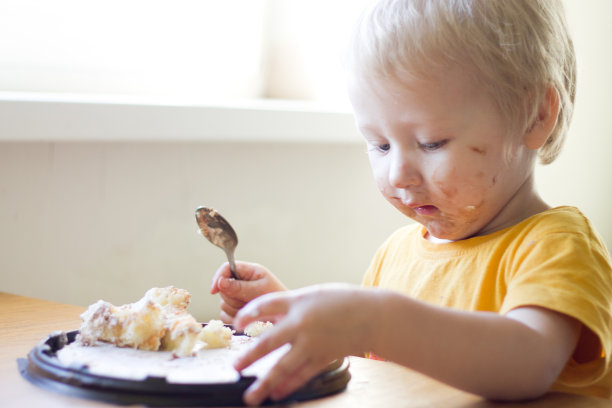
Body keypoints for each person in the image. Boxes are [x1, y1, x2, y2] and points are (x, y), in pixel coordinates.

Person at [210, 0, 612, 405]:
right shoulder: (396, 255)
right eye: (379, 144)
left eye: (430, 142)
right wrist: (296, 320)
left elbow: (529, 364)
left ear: (536, 116)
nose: (398, 174)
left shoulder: (557, 245)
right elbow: (372, 370)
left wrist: (375, 318)